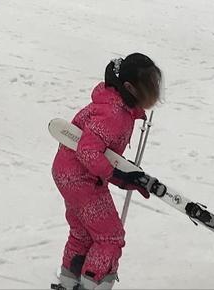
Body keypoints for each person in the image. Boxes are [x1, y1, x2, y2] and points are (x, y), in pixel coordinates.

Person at [52, 54, 163, 290]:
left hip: (68, 174)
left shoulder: (113, 104)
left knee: (83, 233)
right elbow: (89, 152)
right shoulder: (114, 114)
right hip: (82, 179)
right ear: (130, 88)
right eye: (149, 88)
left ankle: (69, 280)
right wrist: (117, 175)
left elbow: (99, 151)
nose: (154, 94)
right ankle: (94, 284)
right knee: (110, 238)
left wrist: (126, 176)